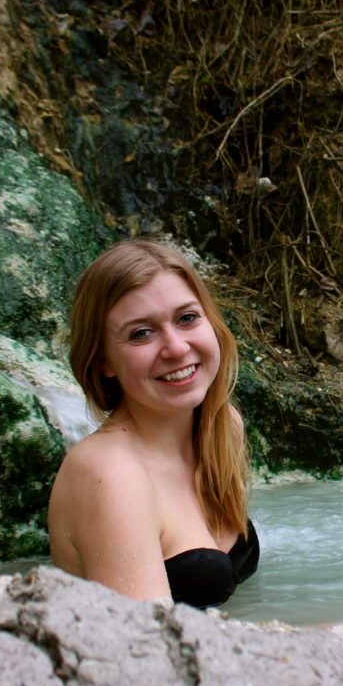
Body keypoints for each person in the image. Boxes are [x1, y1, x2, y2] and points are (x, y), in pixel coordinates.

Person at [48, 238, 258, 607]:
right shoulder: (108, 474)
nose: (176, 348)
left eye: (187, 318)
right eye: (141, 333)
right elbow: (144, 645)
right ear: (104, 362)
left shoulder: (222, 429)